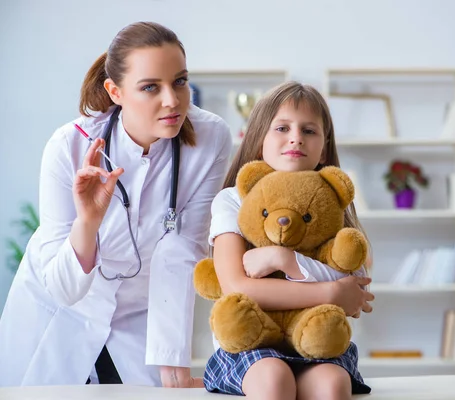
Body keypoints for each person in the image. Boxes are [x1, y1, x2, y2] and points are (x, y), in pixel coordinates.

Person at [0, 21, 231, 387]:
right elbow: (63, 288)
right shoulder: (68, 147)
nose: (172, 100)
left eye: (180, 81)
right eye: (150, 87)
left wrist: (173, 361)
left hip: (143, 316)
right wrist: (87, 224)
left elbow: (184, 247)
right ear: (115, 91)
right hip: (59, 313)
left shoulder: (211, 137)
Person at [203, 81, 374, 399]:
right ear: (257, 141)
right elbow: (237, 287)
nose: (296, 137)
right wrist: (330, 292)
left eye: (309, 131)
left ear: (323, 149)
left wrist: (284, 260)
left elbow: (351, 283)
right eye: (282, 127)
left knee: (332, 384)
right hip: (252, 346)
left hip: (314, 343)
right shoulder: (233, 200)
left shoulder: (330, 202)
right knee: (273, 378)